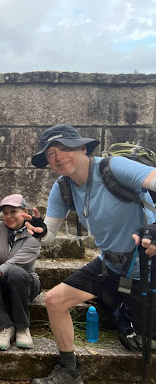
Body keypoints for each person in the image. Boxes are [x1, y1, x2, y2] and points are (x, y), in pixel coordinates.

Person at [26, 124, 156, 384]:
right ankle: (69, 370)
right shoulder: (62, 188)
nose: (58, 157)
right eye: (50, 153)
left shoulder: (114, 167)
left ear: (83, 148)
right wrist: (39, 231)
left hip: (146, 264)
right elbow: (49, 236)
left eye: (64, 148)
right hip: (108, 264)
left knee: (148, 339)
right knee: (54, 300)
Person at [0, 194, 41, 351]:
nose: (8, 216)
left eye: (13, 211)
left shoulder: (34, 234)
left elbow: (16, 263)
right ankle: (4, 327)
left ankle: (22, 328)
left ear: (25, 211)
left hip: (25, 283)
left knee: (15, 272)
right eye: (5, 213)